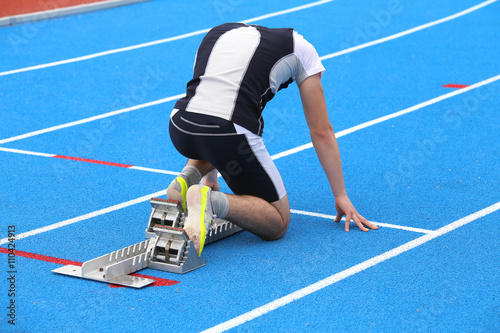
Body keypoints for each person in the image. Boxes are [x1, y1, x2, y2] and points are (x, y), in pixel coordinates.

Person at [167, 23, 377, 256]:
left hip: (180, 125)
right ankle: (211, 201)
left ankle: (187, 179)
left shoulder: (219, 32)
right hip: (229, 134)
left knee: (213, 129)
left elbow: (208, 99)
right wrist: (340, 195)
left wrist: (209, 176)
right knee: (278, 222)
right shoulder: (303, 49)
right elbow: (321, 131)